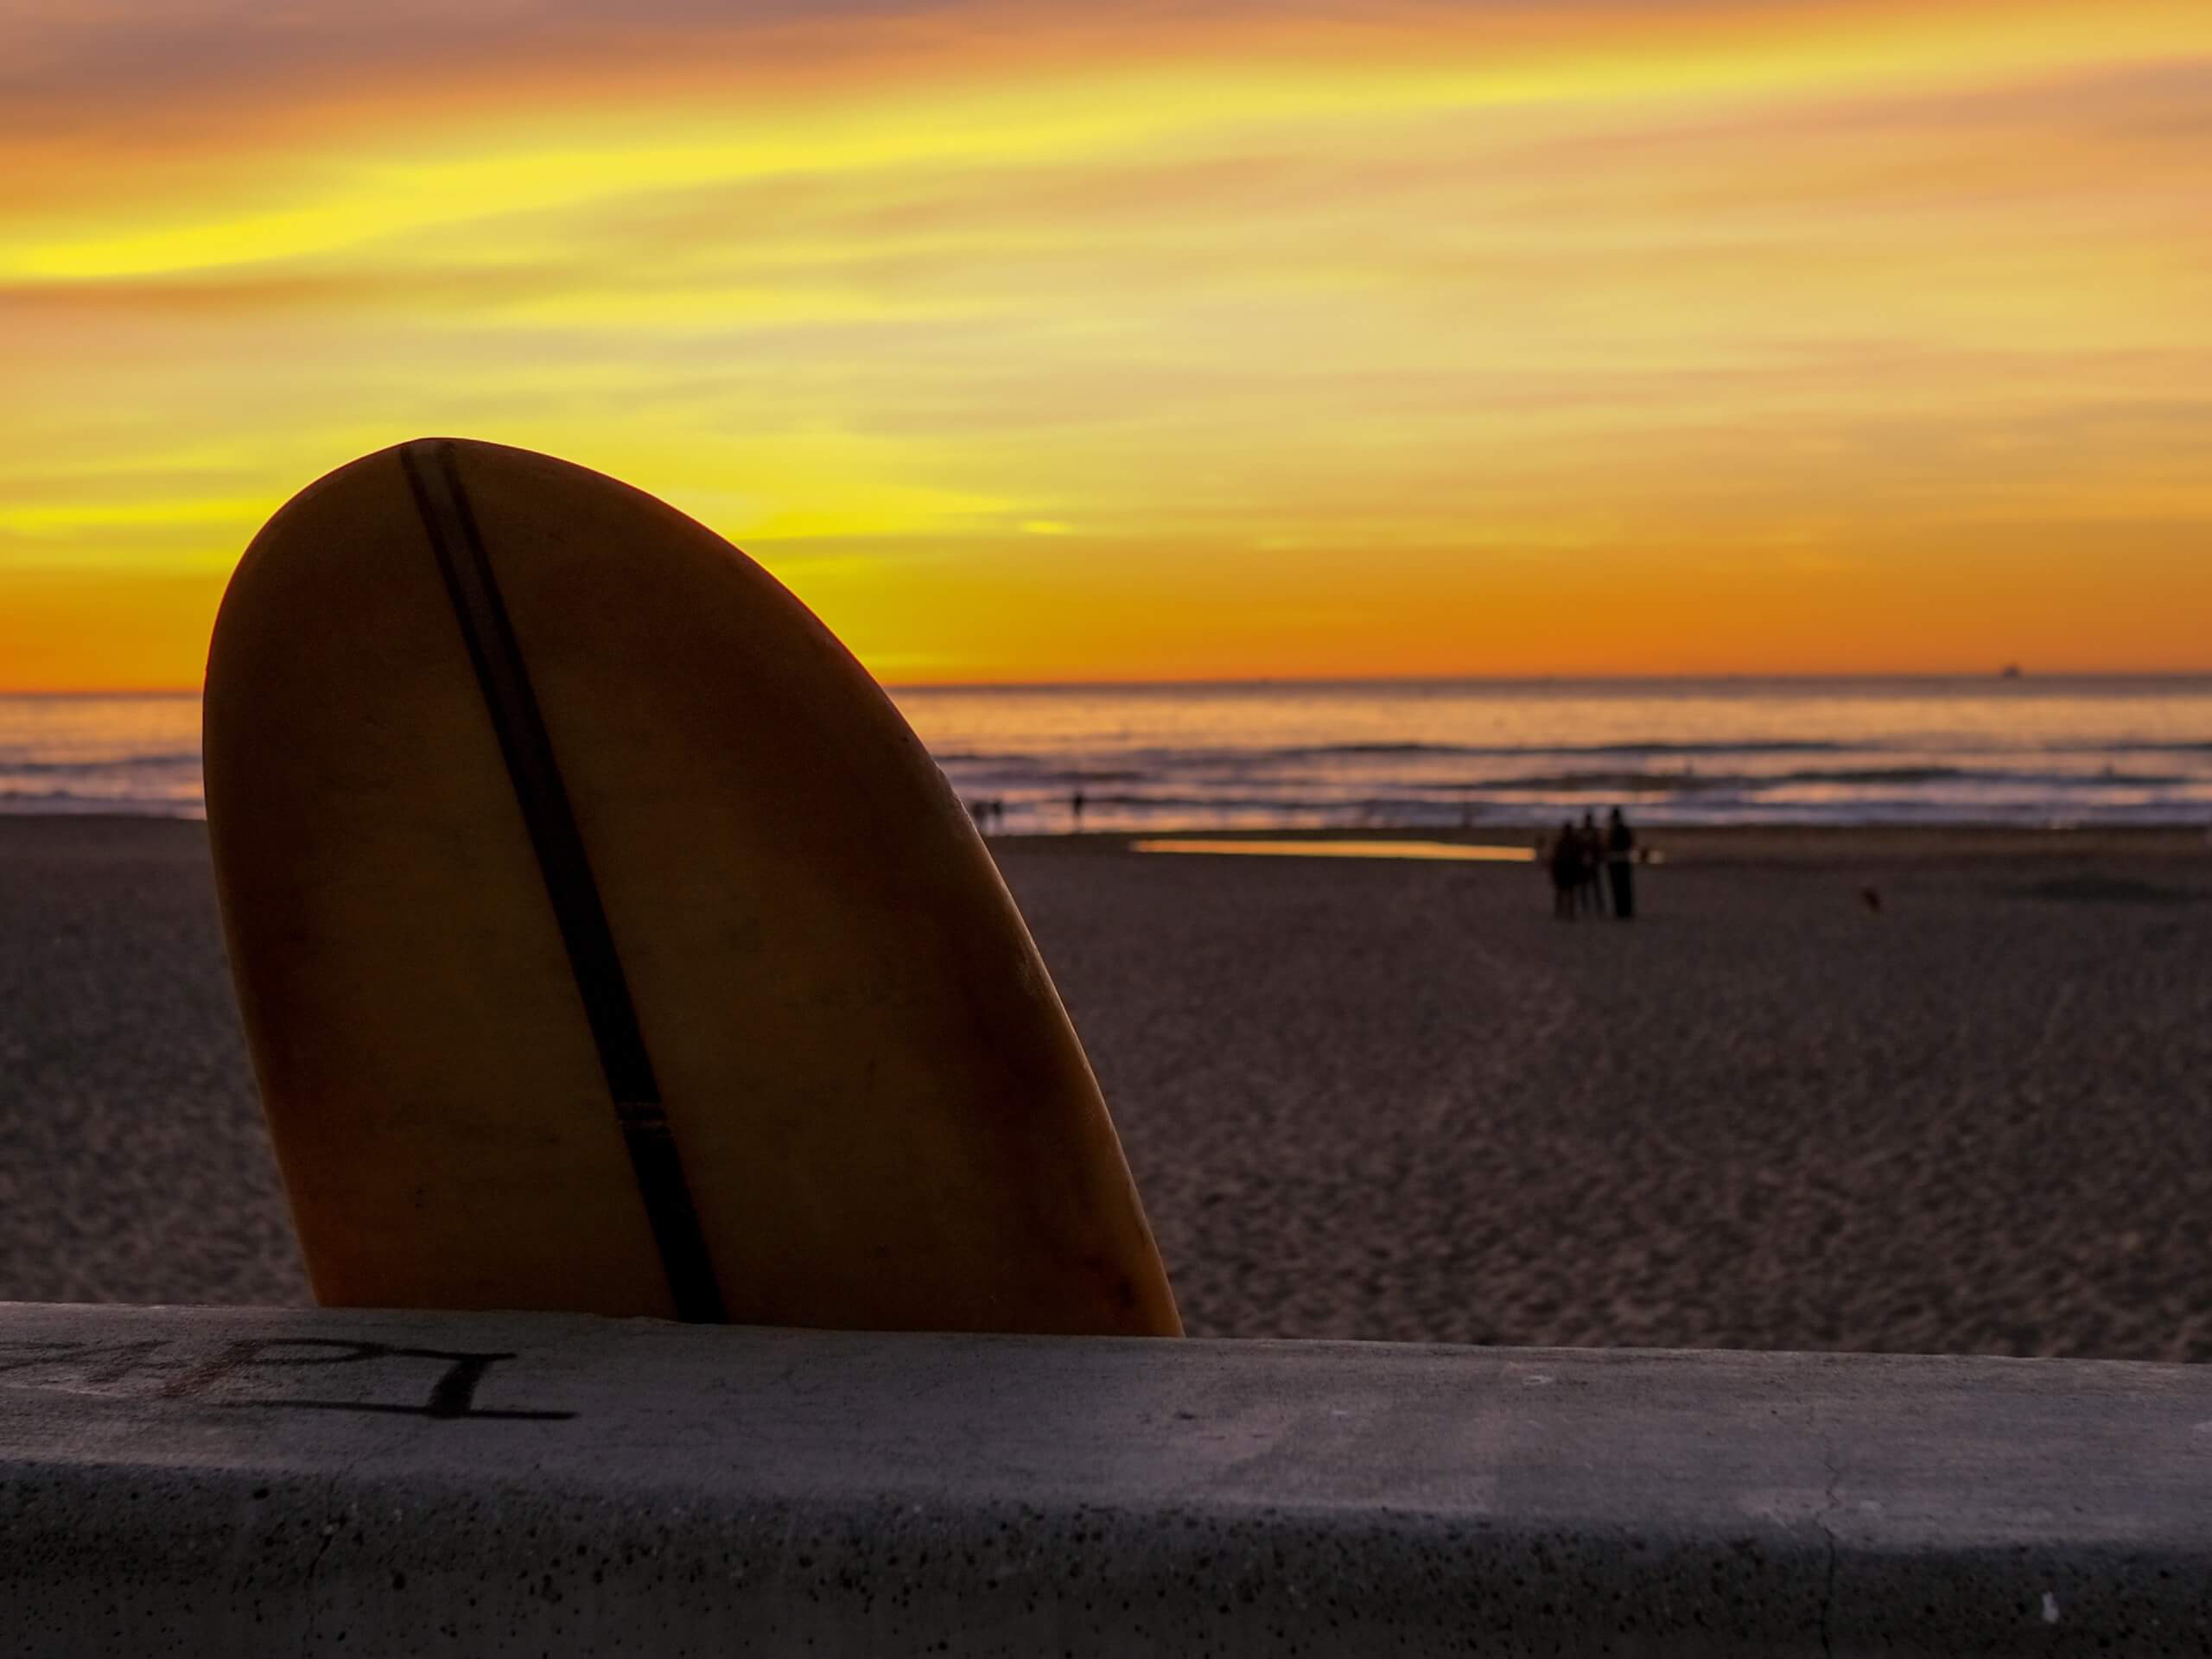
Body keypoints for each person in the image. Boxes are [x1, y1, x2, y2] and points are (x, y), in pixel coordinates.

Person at [1605, 805, 1636, 919]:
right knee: (1625, 887)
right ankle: (1626, 911)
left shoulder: (1614, 830)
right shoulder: (1624, 829)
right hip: (1624, 860)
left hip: (1616, 860)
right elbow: (1631, 843)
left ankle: (1621, 911)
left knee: (1618, 888)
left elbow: (1609, 845)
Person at [1548, 818, 1580, 919]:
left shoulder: (1563, 842)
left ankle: (1561, 912)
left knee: (1563, 893)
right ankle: (1565, 912)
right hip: (1567, 870)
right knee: (1566, 893)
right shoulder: (1571, 842)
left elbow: (1555, 858)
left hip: (1565, 870)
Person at [1578, 810, 1607, 916]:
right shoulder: (1584, 832)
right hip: (1585, 863)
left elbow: (1600, 847)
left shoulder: (1594, 832)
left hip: (1593, 862)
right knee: (1586, 887)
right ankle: (1587, 905)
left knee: (1595, 886)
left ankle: (1598, 905)